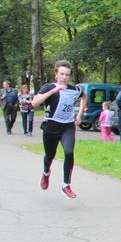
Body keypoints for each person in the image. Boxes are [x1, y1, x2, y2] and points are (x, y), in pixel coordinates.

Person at [32, 60, 86, 199]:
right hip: (51, 126)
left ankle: (66, 185)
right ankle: (45, 173)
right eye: (62, 74)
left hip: (67, 126)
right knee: (49, 156)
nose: (64, 77)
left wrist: (80, 114)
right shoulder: (48, 87)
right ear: (56, 74)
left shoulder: (75, 90)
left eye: (67, 75)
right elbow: (35, 103)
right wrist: (54, 90)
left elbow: (84, 97)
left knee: (69, 152)